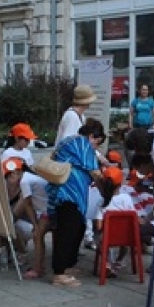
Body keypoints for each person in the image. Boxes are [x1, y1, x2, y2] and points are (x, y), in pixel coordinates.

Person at [46, 118, 107, 288]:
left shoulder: (68, 141)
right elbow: (94, 172)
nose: (96, 148)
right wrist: (107, 186)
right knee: (67, 232)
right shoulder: (82, 144)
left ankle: (66, 266)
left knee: (77, 228)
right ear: (91, 136)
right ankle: (59, 273)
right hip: (69, 193)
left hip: (64, 192)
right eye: (97, 142)